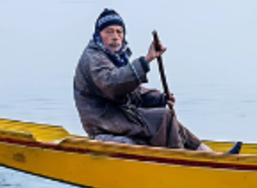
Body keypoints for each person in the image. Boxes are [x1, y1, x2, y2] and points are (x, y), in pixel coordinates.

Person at [73, 9, 217, 152]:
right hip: (103, 122)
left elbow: (131, 92)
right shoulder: (93, 58)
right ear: (99, 35)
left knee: (167, 117)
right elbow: (113, 84)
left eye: (119, 32)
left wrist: (160, 98)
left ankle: (205, 152)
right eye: (109, 31)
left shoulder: (114, 57)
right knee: (163, 117)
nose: (115, 37)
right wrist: (146, 60)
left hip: (119, 118)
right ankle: (180, 158)